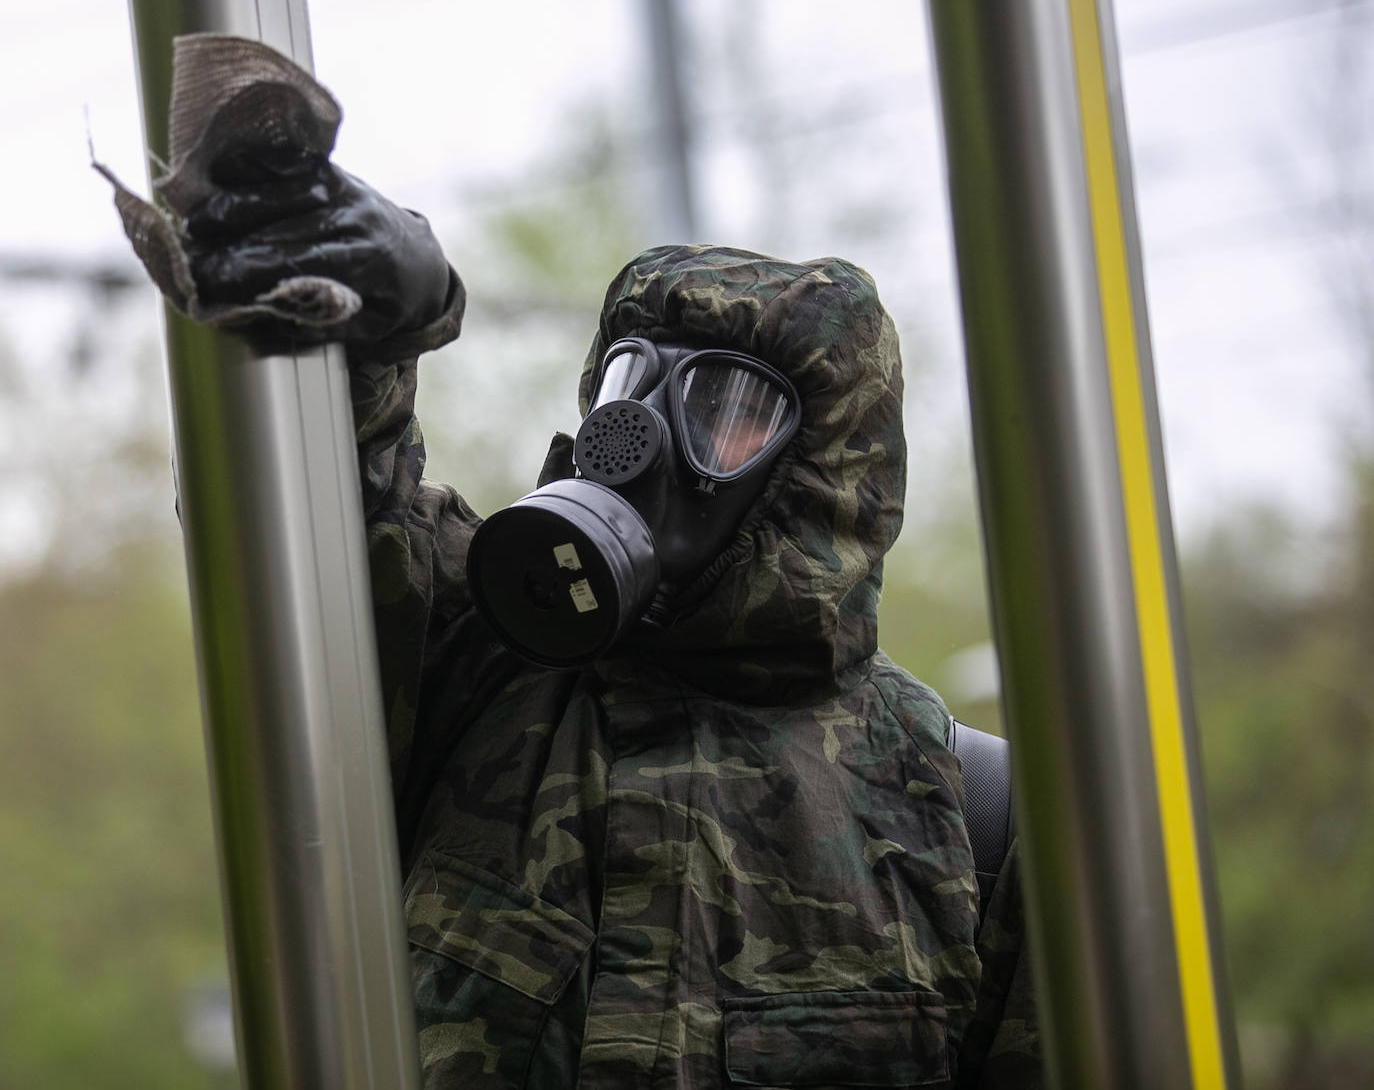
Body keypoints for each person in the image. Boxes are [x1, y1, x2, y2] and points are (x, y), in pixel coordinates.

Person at [151, 130, 1041, 1089]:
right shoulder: (474, 669)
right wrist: (364, 335)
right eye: (631, 380)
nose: (642, 436)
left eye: (723, 404)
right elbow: (305, 541)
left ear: (827, 467)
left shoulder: (963, 820)